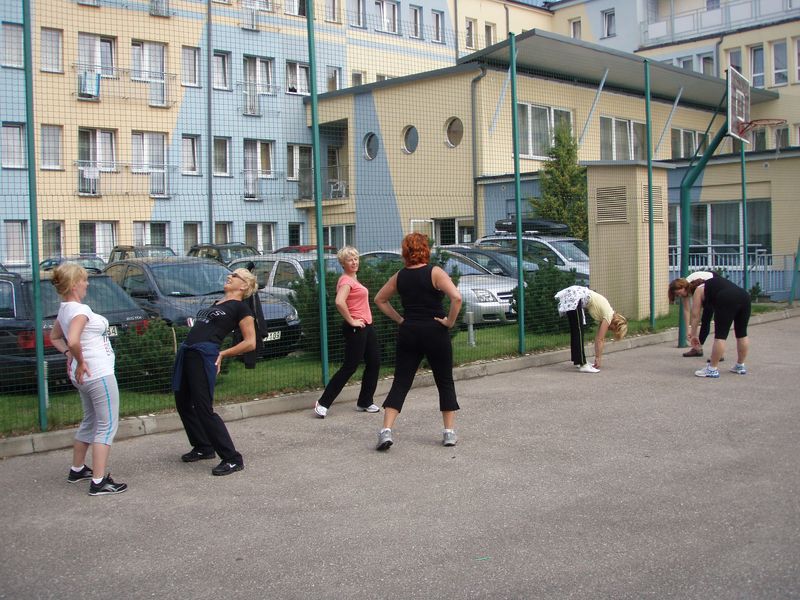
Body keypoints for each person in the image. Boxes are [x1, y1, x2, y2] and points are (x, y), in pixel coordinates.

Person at [373, 233, 462, 450]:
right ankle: (449, 433)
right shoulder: (435, 272)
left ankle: (386, 430)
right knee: (444, 381)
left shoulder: (400, 276)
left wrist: (400, 320)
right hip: (435, 331)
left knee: (401, 382)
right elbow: (457, 298)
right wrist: (449, 322)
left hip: (409, 332)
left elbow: (379, 299)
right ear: (425, 250)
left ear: (405, 252)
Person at [50, 262, 127, 496]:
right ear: (74, 285)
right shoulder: (80, 311)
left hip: (85, 376)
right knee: (106, 426)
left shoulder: (65, 309)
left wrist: (70, 356)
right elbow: (73, 340)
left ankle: (77, 469)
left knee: (91, 420)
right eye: (84, 280)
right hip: (97, 374)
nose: (87, 284)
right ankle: (99, 481)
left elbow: (55, 337)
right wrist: (80, 360)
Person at [172, 268, 258, 476]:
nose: (229, 276)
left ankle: (232, 458)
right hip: (189, 354)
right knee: (183, 402)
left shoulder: (241, 308)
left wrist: (223, 353)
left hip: (204, 356)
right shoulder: (217, 303)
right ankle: (203, 446)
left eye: (235, 276)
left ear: (244, 285)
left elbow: (250, 342)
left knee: (203, 408)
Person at [314, 246, 381, 418]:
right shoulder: (346, 281)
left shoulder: (353, 279)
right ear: (342, 263)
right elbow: (339, 302)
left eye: (356, 259)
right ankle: (323, 403)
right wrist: (351, 320)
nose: (354, 262)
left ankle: (365, 401)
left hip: (366, 326)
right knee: (350, 366)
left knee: (374, 362)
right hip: (356, 328)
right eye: (350, 260)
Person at [555, 285, 628, 373]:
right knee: (578, 331)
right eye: (614, 330)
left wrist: (597, 357)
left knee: (575, 330)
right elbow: (600, 339)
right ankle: (583, 364)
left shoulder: (607, 313)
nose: (611, 330)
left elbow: (598, 338)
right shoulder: (609, 316)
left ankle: (578, 361)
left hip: (574, 294)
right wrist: (598, 358)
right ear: (616, 325)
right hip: (576, 296)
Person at [689, 276, 750, 378]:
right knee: (742, 333)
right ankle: (740, 365)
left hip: (726, 298)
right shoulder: (714, 284)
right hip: (744, 296)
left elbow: (695, 315)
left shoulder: (698, 290)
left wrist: (694, 335)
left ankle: (712, 369)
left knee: (720, 336)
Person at [668, 271, 714, 357]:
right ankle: (697, 348)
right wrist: (688, 330)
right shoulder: (685, 289)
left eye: (679, 293)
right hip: (706, 291)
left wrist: (693, 332)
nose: (680, 295)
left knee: (706, 319)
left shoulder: (695, 286)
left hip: (713, 289)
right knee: (704, 320)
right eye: (677, 295)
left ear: (683, 287)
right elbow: (686, 310)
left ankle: (716, 351)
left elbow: (696, 312)